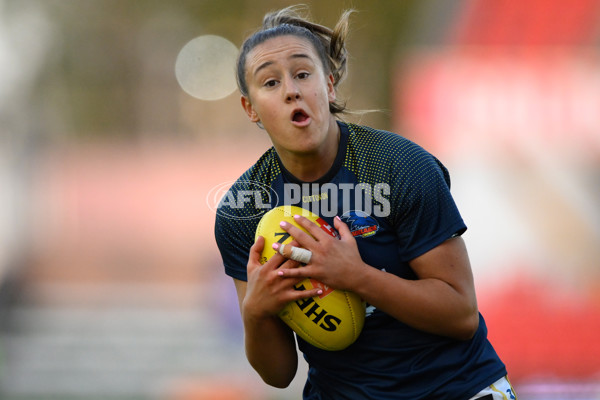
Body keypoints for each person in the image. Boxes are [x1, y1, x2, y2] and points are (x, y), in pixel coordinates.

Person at [214, 5, 516, 400]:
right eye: (270, 83)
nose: (291, 89)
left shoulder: (399, 166)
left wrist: (355, 276)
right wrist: (256, 312)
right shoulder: (244, 210)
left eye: (303, 74)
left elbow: (460, 315)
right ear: (250, 108)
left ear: (330, 85)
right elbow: (279, 374)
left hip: (456, 388)